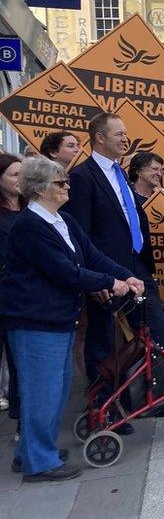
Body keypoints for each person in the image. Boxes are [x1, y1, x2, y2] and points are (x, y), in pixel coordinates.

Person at [0, 156, 143, 481]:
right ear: (39, 189)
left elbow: (92, 255)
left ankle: (33, 452)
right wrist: (111, 283)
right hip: (36, 320)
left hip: (58, 318)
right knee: (43, 391)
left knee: (57, 388)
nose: (67, 186)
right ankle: (40, 463)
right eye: (60, 183)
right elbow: (64, 272)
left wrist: (124, 275)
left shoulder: (61, 220)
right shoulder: (30, 225)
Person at [62, 113, 164, 435]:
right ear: (99, 138)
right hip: (106, 273)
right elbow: (80, 232)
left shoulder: (120, 174)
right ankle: (104, 407)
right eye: (118, 134)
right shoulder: (83, 177)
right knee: (103, 340)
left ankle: (151, 397)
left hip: (135, 267)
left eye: (125, 133)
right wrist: (96, 279)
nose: (125, 139)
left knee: (154, 327)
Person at [0, 154, 26, 422]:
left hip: (21, 299)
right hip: (5, 291)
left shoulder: (32, 210)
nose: (21, 180)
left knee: (19, 363)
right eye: (14, 175)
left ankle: (21, 418)